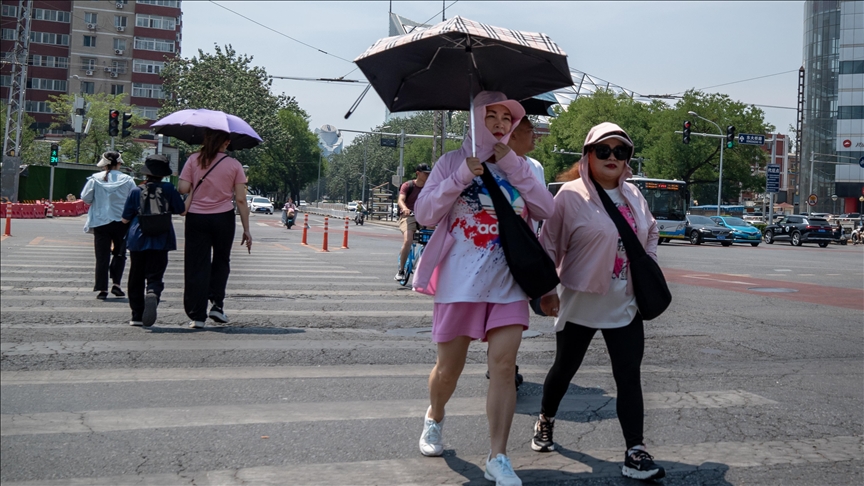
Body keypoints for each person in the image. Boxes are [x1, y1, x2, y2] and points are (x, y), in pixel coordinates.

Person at [412, 91, 554, 486]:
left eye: (506, 118)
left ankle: (499, 456)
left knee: (504, 368)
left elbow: (547, 209)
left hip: (509, 283)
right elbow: (424, 214)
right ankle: (435, 417)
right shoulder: (451, 162)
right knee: (448, 371)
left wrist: (512, 165)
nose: (499, 125)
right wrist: (461, 177)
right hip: (460, 283)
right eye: (490, 116)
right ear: (474, 120)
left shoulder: (524, 166)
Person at [533, 122, 665, 481]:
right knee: (564, 368)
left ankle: (635, 449)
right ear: (587, 156)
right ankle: (545, 418)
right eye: (603, 151)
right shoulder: (569, 196)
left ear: (628, 159)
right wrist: (545, 291)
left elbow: (650, 231)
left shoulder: (635, 196)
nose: (612, 157)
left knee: (629, 376)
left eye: (620, 151)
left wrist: (648, 264)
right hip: (579, 299)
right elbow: (549, 245)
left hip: (625, 301)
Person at [178, 129, 252, 329]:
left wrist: (195, 184)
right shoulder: (235, 165)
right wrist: (246, 229)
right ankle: (217, 305)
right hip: (223, 218)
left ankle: (197, 315)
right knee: (221, 261)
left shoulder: (193, 160)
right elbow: (240, 199)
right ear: (226, 143)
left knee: (196, 264)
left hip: (196, 218)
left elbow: (182, 188)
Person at [121, 155, 185, 327]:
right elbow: (181, 210)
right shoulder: (169, 189)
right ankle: (153, 292)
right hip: (162, 237)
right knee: (156, 273)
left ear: (146, 173)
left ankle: (136, 315)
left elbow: (126, 217)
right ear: (163, 174)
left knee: (136, 275)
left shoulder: (136, 190)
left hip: (138, 237)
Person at [80, 151, 136, 300]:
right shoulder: (128, 180)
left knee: (102, 256)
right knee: (120, 253)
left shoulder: (95, 179)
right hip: (122, 222)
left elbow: (85, 198)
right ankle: (116, 284)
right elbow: (134, 199)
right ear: (119, 163)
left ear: (104, 164)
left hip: (100, 221)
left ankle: (102, 288)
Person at [395, 163, 431, 280]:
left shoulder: (430, 187)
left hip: (424, 216)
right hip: (408, 216)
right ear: (418, 173)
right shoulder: (408, 185)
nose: (427, 176)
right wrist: (404, 208)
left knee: (438, 237)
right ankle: (400, 271)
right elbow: (401, 200)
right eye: (425, 174)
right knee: (408, 240)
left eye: (429, 174)